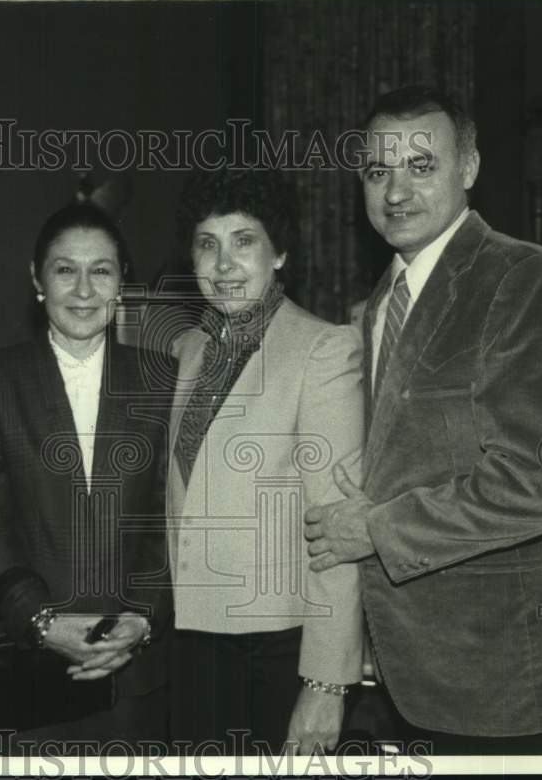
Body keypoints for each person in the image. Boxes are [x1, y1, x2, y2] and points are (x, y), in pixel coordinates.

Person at [304, 85, 542, 754]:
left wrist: (376, 529)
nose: (395, 191)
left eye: (421, 166)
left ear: (468, 168)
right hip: (403, 675)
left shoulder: (529, 279)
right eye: (377, 171)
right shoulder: (379, 302)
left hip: (504, 684)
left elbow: (541, 481)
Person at [167, 167, 364, 755]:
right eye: (207, 244)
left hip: (278, 646)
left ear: (279, 253)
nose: (224, 263)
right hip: (191, 638)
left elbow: (338, 531)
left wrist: (326, 682)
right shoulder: (189, 348)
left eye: (244, 241)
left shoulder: (323, 349)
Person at [0, 201, 172, 748]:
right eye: (64, 270)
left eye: (100, 270)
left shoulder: (163, 380)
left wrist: (140, 619)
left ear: (122, 282)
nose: (83, 290)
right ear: (37, 280)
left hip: (136, 676)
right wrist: (42, 624)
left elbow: (172, 517)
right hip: (28, 672)